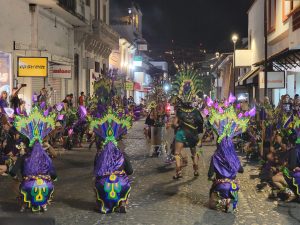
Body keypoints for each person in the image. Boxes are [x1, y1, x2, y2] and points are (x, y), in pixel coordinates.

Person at [90, 108, 132, 213]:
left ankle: (100, 204)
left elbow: (96, 171)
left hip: (104, 184)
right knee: (125, 179)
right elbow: (130, 171)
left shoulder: (99, 154)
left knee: (95, 181)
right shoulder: (122, 154)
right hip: (121, 184)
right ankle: (122, 203)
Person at [171, 66, 204, 179]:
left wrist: (177, 126)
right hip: (193, 134)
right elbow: (200, 123)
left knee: (177, 153)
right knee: (194, 153)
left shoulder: (179, 111)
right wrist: (198, 131)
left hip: (181, 134)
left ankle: (178, 172)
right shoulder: (195, 111)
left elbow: (174, 124)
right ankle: (195, 169)